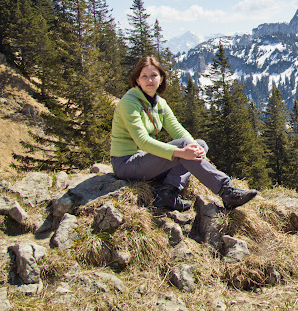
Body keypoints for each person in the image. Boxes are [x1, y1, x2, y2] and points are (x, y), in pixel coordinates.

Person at [110, 56, 257, 211]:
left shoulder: (159, 103)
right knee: (185, 148)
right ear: (137, 81)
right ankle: (226, 191)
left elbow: (177, 129)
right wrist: (181, 151)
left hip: (145, 161)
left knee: (199, 145)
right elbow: (142, 141)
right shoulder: (129, 102)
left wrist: (195, 148)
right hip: (126, 163)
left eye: (154, 75)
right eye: (144, 76)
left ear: (161, 78)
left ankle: (168, 191)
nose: (149, 80)